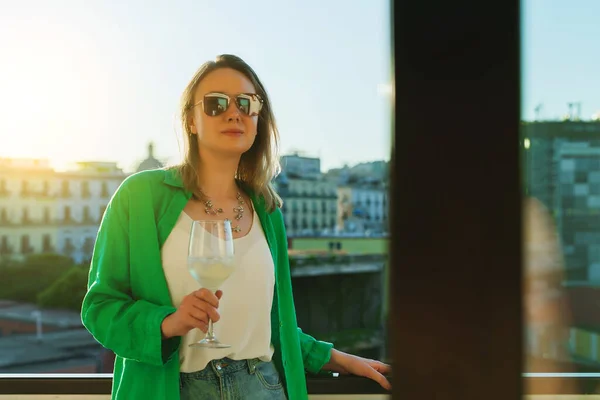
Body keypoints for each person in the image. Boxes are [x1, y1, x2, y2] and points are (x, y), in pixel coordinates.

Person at [81, 54, 391, 400]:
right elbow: (100, 307)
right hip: (170, 389)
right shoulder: (140, 196)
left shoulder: (267, 211)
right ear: (191, 120)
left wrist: (333, 357)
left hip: (262, 386)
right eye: (216, 103)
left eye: (246, 102)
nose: (234, 112)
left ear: (259, 119)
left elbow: (272, 326)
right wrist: (167, 324)